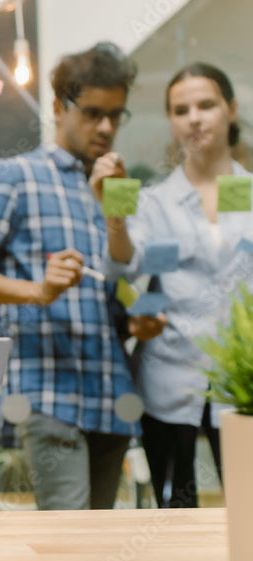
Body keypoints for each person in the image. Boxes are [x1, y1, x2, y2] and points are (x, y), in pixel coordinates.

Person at [0, 42, 165, 510]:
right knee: (70, 544)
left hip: (113, 394)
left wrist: (137, 318)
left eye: (116, 115)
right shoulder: (15, 176)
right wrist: (38, 290)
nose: (106, 127)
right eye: (93, 113)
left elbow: (121, 278)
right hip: (46, 390)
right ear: (60, 107)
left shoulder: (118, 185)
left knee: (98, 542)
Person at [104, 63, 250, 508]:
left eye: (206, 105)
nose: (194, 118)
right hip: (168, 378)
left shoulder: (244, 193)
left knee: (248, 511)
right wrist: (113, 207)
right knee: (174, 516)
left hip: (244, 382)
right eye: (180, 109)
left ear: (231, 109)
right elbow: (126, 271)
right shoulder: (149, 198)